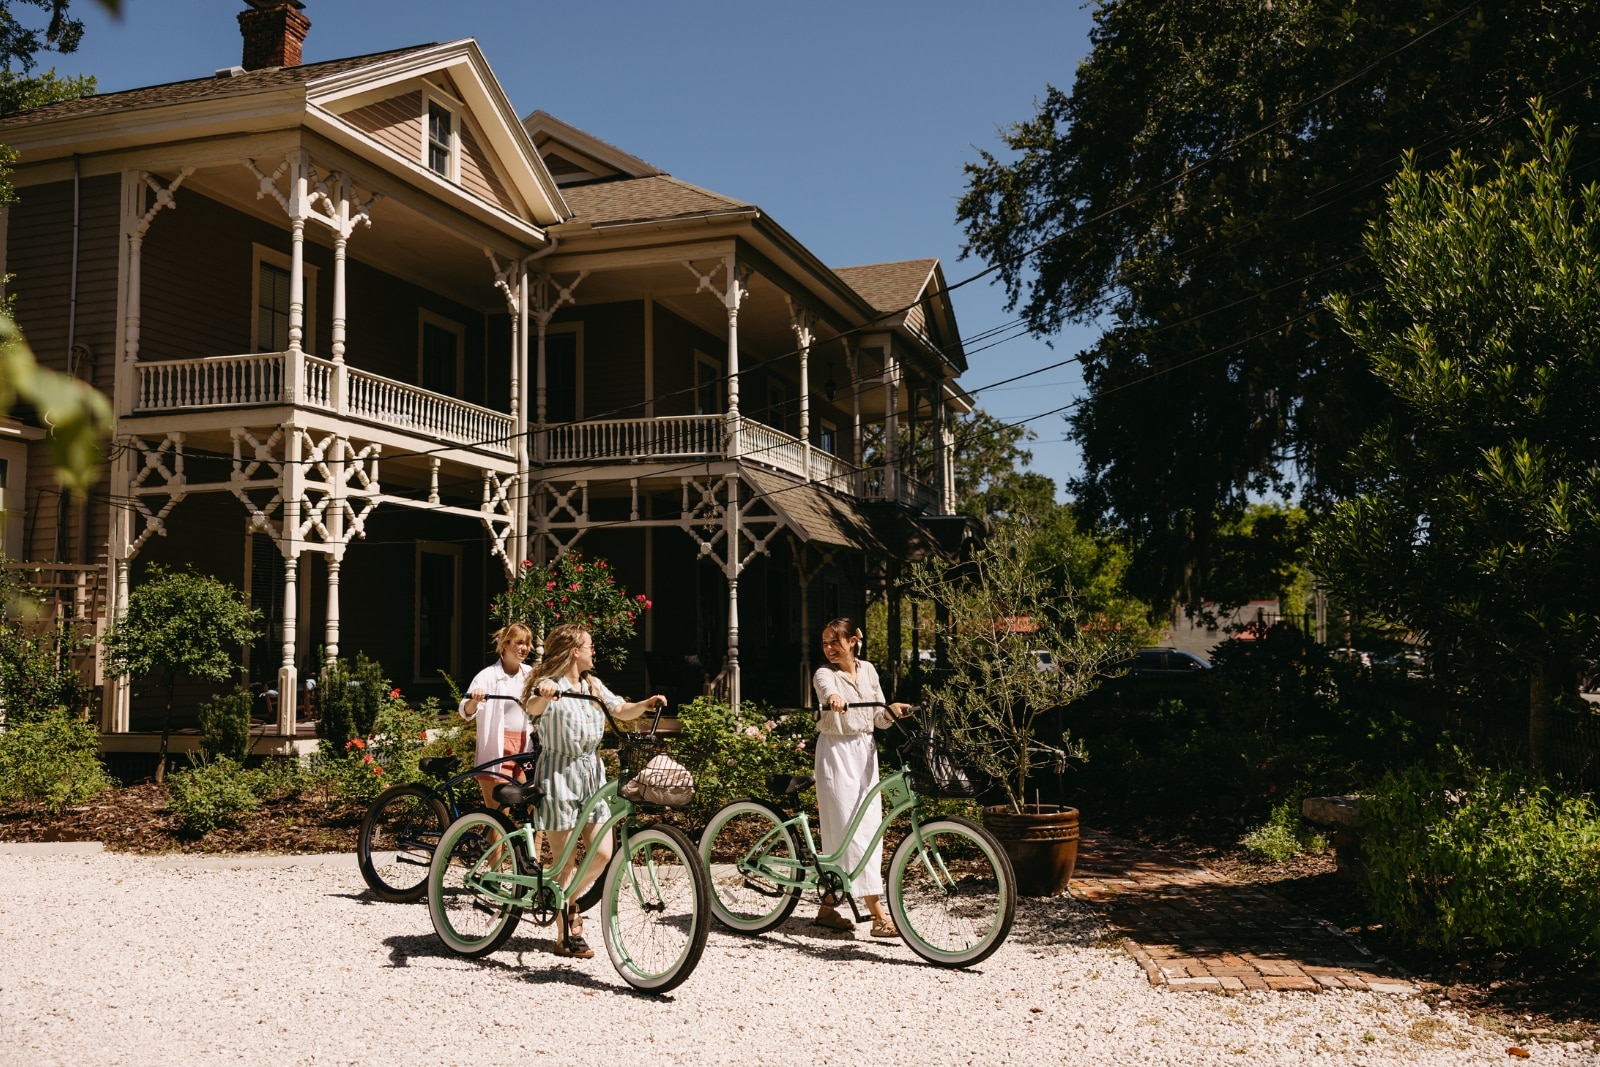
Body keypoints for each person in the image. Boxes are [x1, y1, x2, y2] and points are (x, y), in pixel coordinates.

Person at [524, 622, 667, 959]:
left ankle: (568, 900)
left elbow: (619, 709)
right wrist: (542, 694)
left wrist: (645, 704)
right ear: (575, 650)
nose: (594, 650)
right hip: (559, 773)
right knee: (563, 860)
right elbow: (531, 707)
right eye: (589, 645)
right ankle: (563, 936)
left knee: (602, 852)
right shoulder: (550, 685)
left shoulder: (592, 684)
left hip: (591, 774)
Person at [811, 617, 912, 938]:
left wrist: (892, 710)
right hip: (836, 754)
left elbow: (878, 719)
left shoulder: (868, 670)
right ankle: (878, 915)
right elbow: (827, 692)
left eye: (834, 642)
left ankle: (828, 907)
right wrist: (834, 700)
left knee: (869, 830)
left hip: (865, 754)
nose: (828, 648)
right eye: (824, 643)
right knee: (845, 832)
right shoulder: (825, 673)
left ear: (852, 641)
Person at [459, 622, 536, 809]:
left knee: (536, 805)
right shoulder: (487, 676)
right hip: (498, 749)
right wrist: (474, 700)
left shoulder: (531, 674)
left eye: (527, 643)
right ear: (505, 644)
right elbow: (465, 712)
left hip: (525, 748)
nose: (524, 648)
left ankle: (537, 841)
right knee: (500, 814)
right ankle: (496, 839)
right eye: (519, 643)